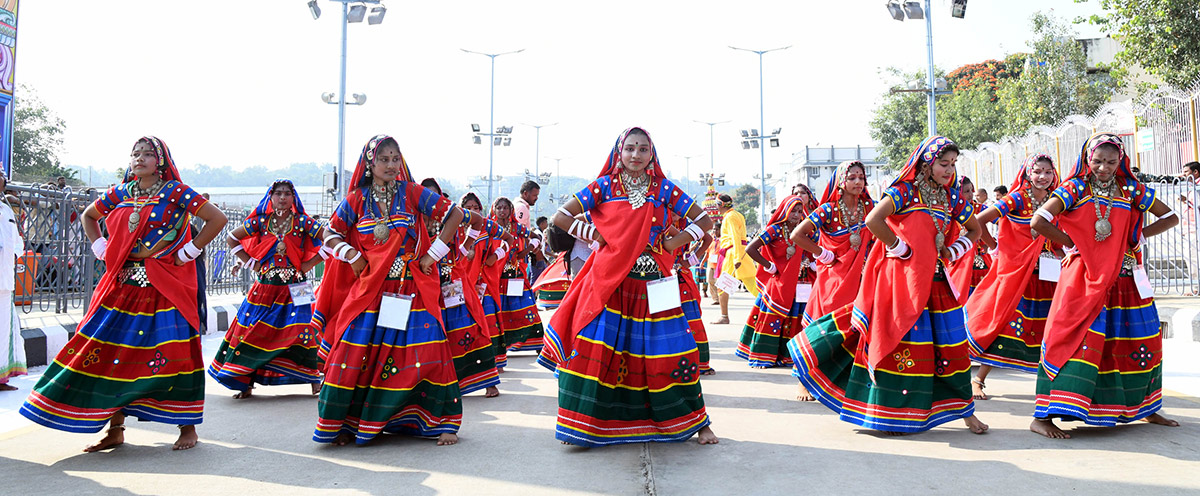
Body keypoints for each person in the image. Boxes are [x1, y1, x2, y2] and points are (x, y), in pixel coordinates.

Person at [20, 136, 228, 451]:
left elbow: (217, 219)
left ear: (160, 161)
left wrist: (189, 250)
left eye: (147, 154)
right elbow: (90, 216)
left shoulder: (176, 192)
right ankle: (115, 429)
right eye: (135, 154)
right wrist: (99, 245)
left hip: (164, 289)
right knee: (109, 354)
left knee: (176, 356)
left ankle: (187, 428)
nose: (139, 158)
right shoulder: (120, 193)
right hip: (122, 288)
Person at [789, 136, 989, 435]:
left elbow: (974, 229)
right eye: (943, 164)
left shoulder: (952, 197)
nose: (949, 170)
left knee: (951, 348)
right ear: (926, 163)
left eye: (953, 164)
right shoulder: (904, 192)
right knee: (902, 346)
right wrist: (899, 248)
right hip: (901, 281)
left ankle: (965, 411)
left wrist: (955, 249)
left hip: (936, 284)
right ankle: (888, 412)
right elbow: (874, 220)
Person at [540, 127, 717, 447]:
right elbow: (561, 218)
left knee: (671, 350)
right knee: (596, 348)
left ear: (652, 154)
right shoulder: (604, 186)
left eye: (643, 149)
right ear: (619, 153)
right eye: (630, 148)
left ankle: (696, 422)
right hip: (611, 283)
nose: (636, 155)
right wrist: (593, 234)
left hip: (655, 283)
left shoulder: (664, 188)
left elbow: (704, 220)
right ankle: (582, 425)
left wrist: (676, 240)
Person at [309, 134, 465, 446]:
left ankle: (442, 421)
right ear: (370, 163)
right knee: (353, 352)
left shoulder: (411, 193)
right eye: (384, 159)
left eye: (395, 159)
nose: (391, 165)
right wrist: (351, 255)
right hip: (371, 290)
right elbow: (328, 233)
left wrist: (431, 255)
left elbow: (455, 215)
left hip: (411, 288)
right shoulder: (356, 200)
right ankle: (346, 423)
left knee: (428, 351)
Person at [1028, 132, 1180, 439]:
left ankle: (1144, 407)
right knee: (1071, 337)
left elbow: (1171, 216)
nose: (1104, 168)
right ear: (1087, 159)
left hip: (1124, 276)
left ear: (1120, 160)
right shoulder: (1075, 188)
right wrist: (1072, 244)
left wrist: (1139, 235)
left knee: (1140, 338)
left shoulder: (1130, 188)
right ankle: (1043, 416)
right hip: (1084, 276)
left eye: (1111, 162)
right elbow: (1039, 221)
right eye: (1098, 161)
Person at [208, 180, 324, 398]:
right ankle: (246, 382)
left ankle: (313, 380)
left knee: (303, 331)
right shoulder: (261, 222)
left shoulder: (303, 222)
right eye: (278, 193)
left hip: (297, 286)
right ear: (270, 197)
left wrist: (309, 264)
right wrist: (253, 264)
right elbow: (231, 239)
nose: (282, 197)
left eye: (287, 194)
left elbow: (329, 239)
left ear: (293, 197)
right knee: (251, 331)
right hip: (265, 286)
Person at [966, 154, 1061, 400]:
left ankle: (1053, 386)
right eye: (1038, 171)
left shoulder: (1055, 200)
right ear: (1028, 173)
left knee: (1049, 327)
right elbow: (978, 221)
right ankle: (978, 379)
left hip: (1046, 276)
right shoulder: (1017, 198)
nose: (1043, 176)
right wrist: (992, 245)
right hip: (1017, 273)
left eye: (1048, 172)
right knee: (1004, 322)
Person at [786, 160, 875, 401]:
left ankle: (847, 381)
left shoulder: (869, 206)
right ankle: (803, 381)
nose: (858, 182)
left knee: (856, 328)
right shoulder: (828, 210)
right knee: (822, 328)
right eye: (852, 178)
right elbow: (797, 235)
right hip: (832, 277)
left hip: (861, 276)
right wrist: (821, 252)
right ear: (841, 183)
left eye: (861, 177)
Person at [419, 178, 499, 397]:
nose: (429, 200)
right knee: (430, 335)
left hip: (450, 284)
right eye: (424, 194)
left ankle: (487, 380)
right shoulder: (411, 221)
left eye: (434, 195)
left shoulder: (451, 217)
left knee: (467, 329)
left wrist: (464, 250)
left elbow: (479, 223)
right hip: (423, 285)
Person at [736, 191, 816, 368]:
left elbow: (821, 245)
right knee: (773, 318)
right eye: (793, 211)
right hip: (778, 283)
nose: (796, 215)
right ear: (785, 210)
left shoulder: (805, 230)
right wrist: (768, 265)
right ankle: (763, 356)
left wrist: (813, 262)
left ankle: (790, 357)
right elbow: (751, 249)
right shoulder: (775, 229)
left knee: (795, 319)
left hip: (800, 283)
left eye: (799, 211)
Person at [460, 192, 513, 379]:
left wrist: (496, 255)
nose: (473, 211)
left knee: (488, 324)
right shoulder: (453, 228)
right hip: (458, 286)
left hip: (483, 284)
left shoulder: (488, 226)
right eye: (468, 208)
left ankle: (493, 366)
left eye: (476, 208)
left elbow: (510, 240)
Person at [487, 197, 546, 354]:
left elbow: (537, 237)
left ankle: (536, 342)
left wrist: (524, 253)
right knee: (499, 310)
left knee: (525, 307)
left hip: (515, 274)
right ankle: (502, 346)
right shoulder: (489, 227)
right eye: (498, 207)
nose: (502, 210)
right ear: (493, 209)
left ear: (511, 210)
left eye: (505, 207)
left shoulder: (516, 227)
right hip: (495, 275)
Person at [671, 212, 715, 374]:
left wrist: (690, 261)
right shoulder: (659, 219)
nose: (675, 213)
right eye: (671, 208)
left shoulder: (687, 223)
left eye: (677, 209)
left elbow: (708, 239)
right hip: (660, 277)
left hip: (681, 277)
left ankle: (700, 363)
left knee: (692, 320)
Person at [712, 194, 758, 324]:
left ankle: (724, 316)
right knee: (753, 284)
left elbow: (735, 237)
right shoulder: (737, 215)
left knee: (722, 286)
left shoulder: (730, 217)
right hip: (742, 252)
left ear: (720, 205)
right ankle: (769, 308)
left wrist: (737, 258)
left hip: (734, 253)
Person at [0, 173, 25, 391]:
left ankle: (1, 378)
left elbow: (17, 241)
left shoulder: (6, 209)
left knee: (3, 330)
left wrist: (14, 255)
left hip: (4, 280)